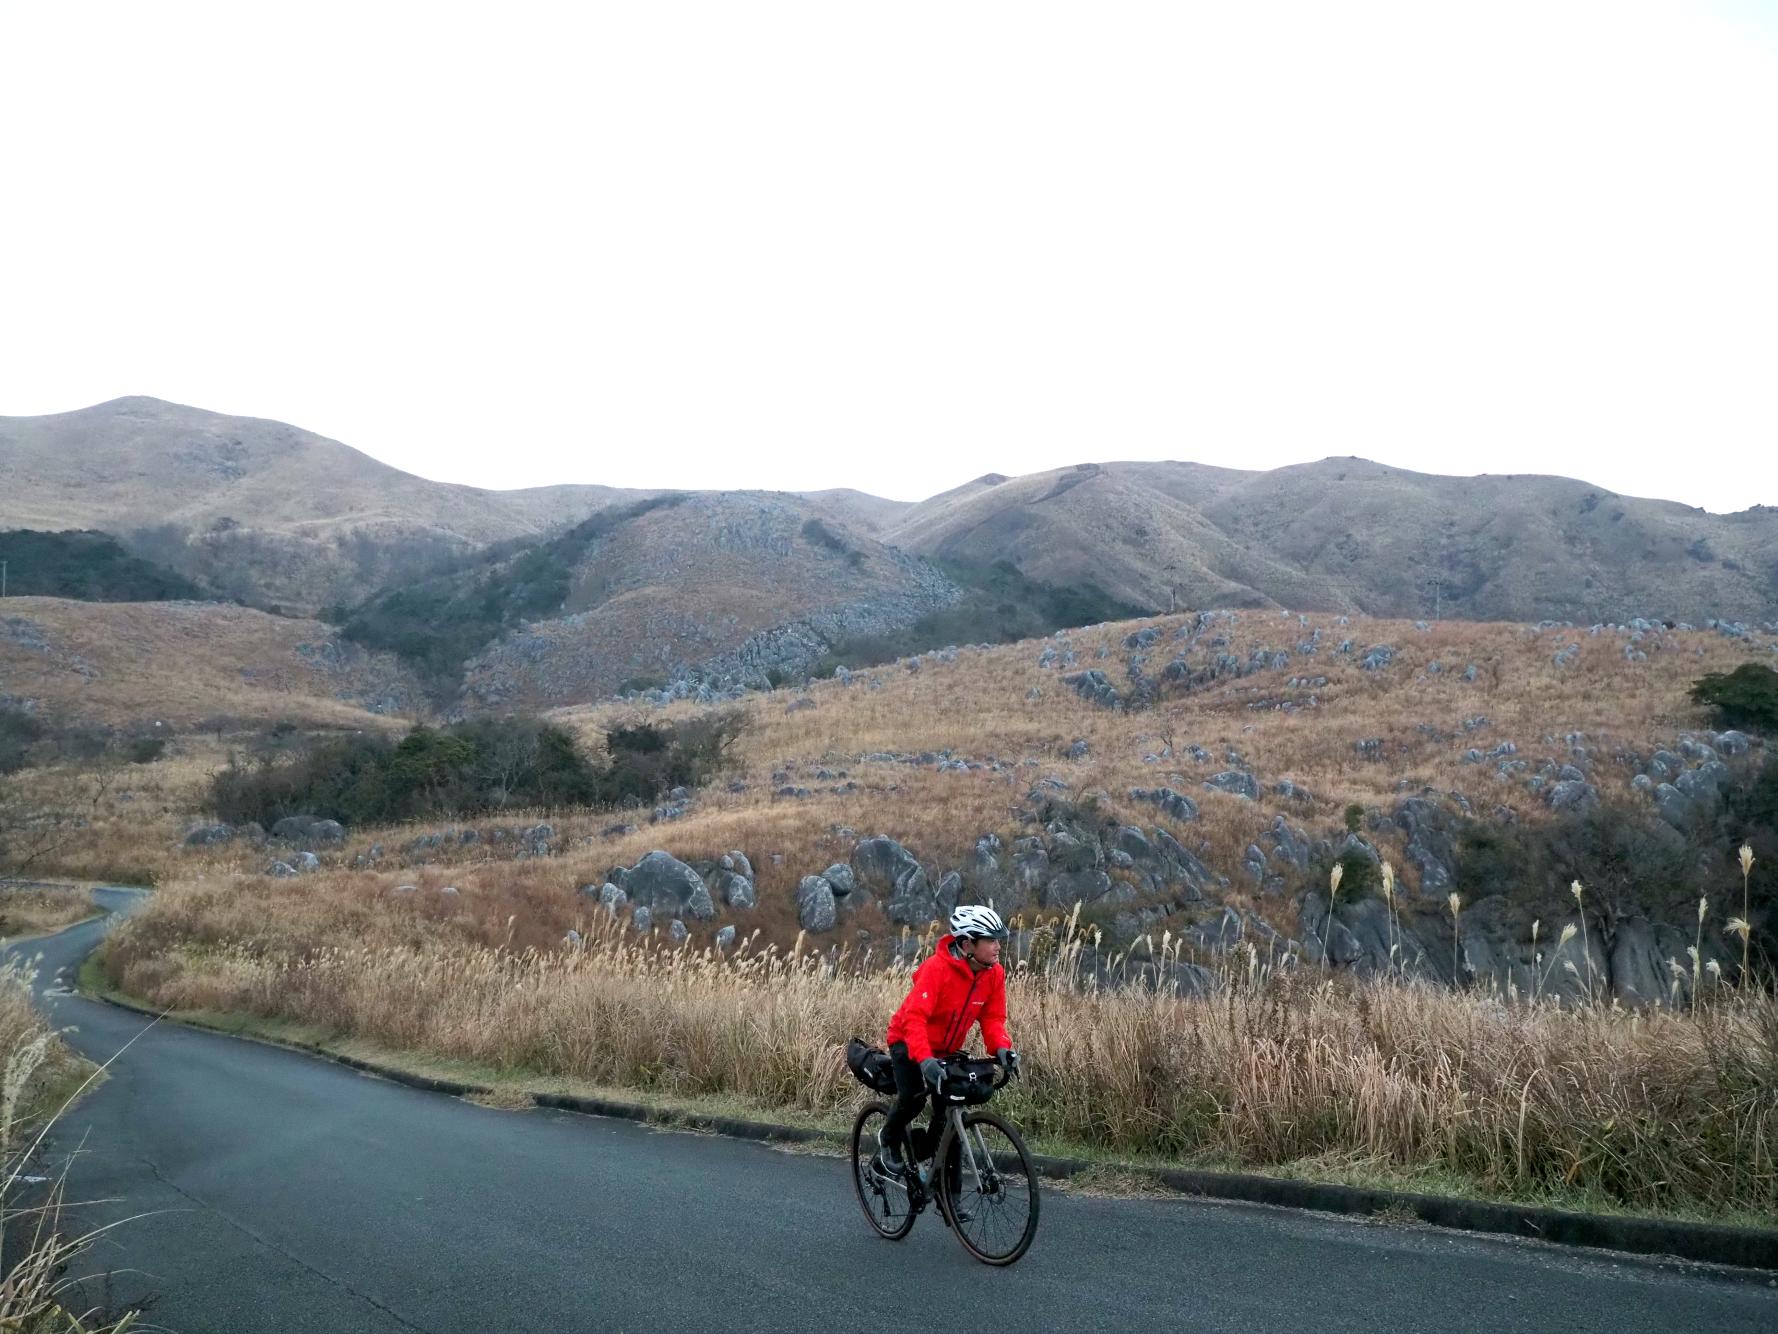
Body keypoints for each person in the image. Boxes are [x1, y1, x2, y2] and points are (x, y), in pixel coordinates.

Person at [875, 904, 1020, 1179]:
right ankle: (889, 1139)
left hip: (946, 1049)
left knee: (949, 1117)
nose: (997, 946)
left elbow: (993, 1018)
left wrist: (1002, 1048)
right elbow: (914, 1019)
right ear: (968, 944)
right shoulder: (937, 969)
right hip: (907, 1040)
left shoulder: (994, 974)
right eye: (990, 940)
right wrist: (925, 1060)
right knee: (914, 1099)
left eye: (998, 940)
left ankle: (945, 1193)